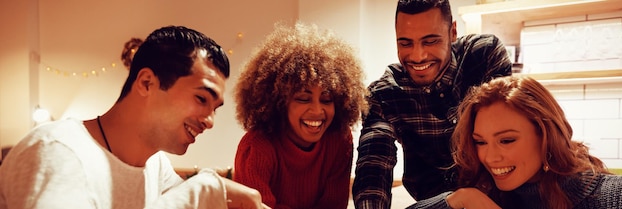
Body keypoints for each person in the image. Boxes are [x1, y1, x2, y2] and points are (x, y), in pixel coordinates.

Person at [0, 25, 268, 209]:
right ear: (147, 83)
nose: (209, 121)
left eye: (215, 108)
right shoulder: (59, 151)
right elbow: (196, 197)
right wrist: (206, 189)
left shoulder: (155, 165)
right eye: (201, 99)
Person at [352, 0, 512, 208]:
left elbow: (506, 131)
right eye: (405, 43)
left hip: (498, 192)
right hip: (435, 201)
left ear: (452, 32)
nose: (418, 56)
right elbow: (373, 167)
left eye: (430, 41)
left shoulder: (483, 55)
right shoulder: (383, 94)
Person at [423, 75, 622, 209]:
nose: (490, 157)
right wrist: (460, 199)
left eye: (507, 140)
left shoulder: (610, 196)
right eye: (480, 142)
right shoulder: (485, 194)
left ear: (546, 136)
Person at [232, 22, 369, 209]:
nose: (317, 110)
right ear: (279, 101)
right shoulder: (256, 147)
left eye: (327, 99)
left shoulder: (339, 141)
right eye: (304, 99)